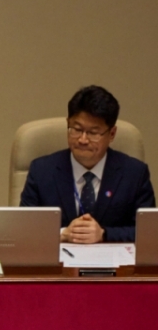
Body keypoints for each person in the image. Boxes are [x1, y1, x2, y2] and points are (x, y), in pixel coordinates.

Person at [19, 85, 154, 243]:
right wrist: (62, 234)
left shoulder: (135, 174)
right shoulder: (41, 171)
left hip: (113, 258)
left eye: (93, 133)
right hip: (60, 258)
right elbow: (24, 229)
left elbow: (149, 232)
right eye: (76, 129)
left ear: (111, 134)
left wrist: (104, 234)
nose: (83, 140)